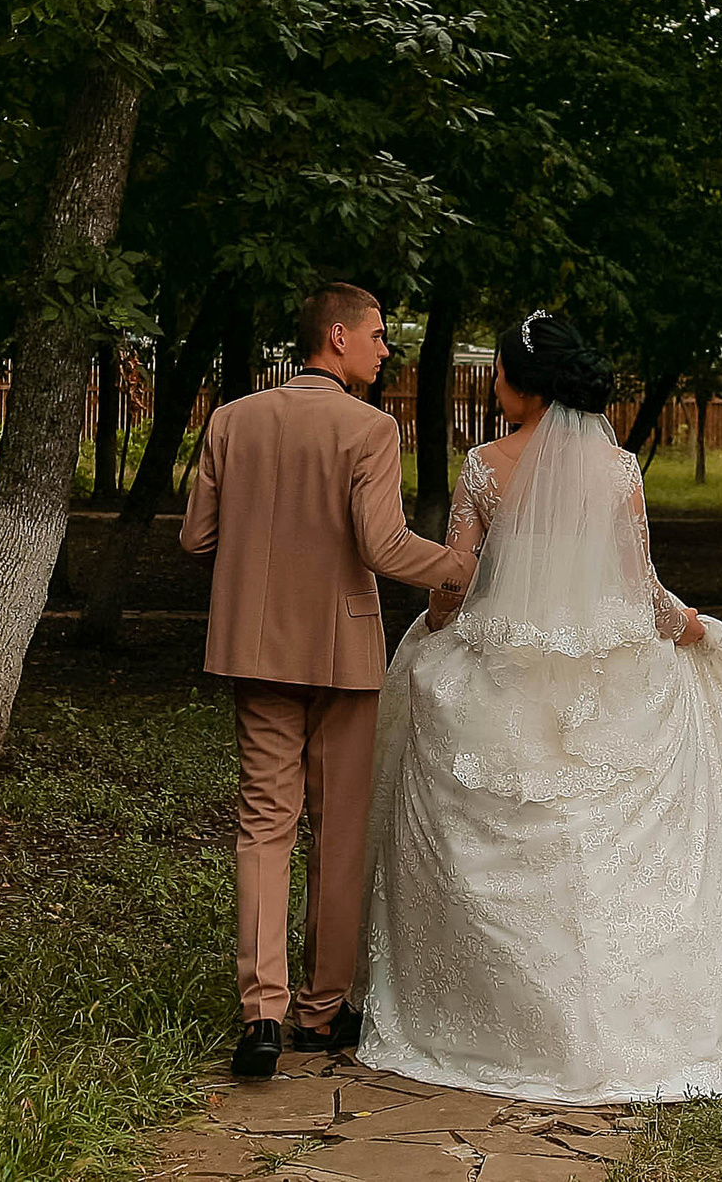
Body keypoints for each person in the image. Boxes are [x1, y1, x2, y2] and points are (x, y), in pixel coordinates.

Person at [353, 308, 722, 1104]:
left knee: (505, 821)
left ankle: (496, 1021)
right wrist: (688, 624)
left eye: (500, 374)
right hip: (606, 676)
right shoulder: (620, 470)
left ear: (526, 384)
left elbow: (457, 578)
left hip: (504, 672)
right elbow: (640, 585)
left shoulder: (484, 466)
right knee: (607, 847)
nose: (494, 387)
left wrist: (434, 622)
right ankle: (630, 1024)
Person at [183, 283, 478, 1080]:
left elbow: (196, 537)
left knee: (263, 826)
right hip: (342, 655)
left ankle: (260, 1014)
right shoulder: (369, 428)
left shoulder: (230, 420)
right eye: (377, 335)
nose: (386, 350)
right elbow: (382, 546)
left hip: (253, 649)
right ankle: (320, 1012)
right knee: (337, 832)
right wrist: (460, 567)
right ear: (338, 337)